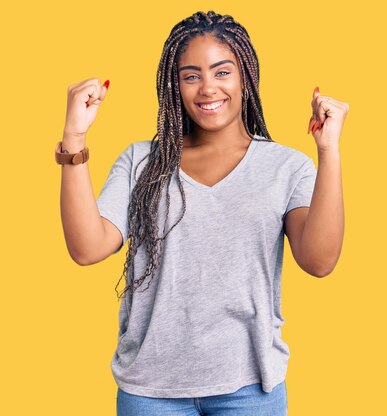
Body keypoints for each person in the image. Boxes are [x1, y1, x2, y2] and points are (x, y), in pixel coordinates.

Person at [58, 10, 347, 416]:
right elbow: (87, 248)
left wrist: (328, 150)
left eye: (222, 72)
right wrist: (74, 137)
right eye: (191, 75)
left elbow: (319, 261)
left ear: (245, 76)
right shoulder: (142, 161)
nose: (207, 88)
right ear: (174, 86)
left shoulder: (286, 167)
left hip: (250, 391)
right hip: (150, 392)